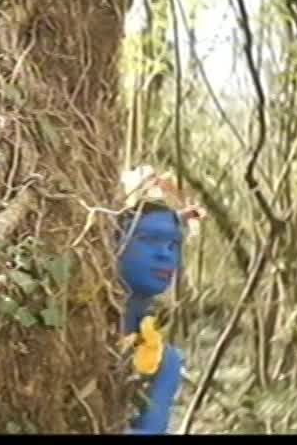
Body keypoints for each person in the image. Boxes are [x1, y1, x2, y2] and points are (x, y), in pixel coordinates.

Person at [117, 166, 206, 434]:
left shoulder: (164, 360)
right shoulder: (76, 330)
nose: (165, 255)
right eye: (150, 240)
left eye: (173, 245)